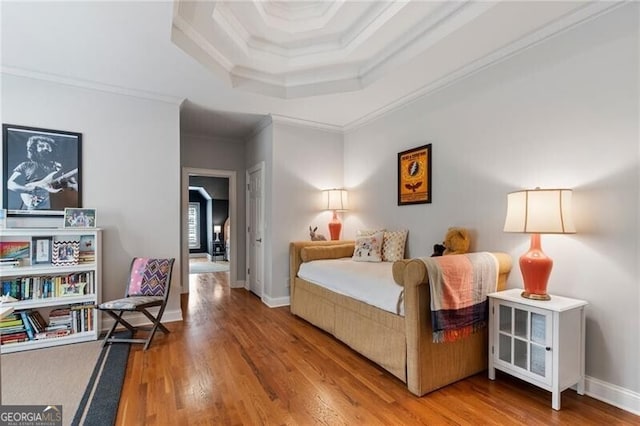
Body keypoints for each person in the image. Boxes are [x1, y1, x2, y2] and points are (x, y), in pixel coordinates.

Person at [6, 135, 77, 210]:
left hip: (54, 205)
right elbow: (10, 184)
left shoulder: (59, 167)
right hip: (32, 207)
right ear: (33, 149)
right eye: (41, 146)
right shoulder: (26, 165)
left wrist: (71, 185)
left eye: (48, 146)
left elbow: (69, 186)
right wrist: (30, 189)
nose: (46, 148)